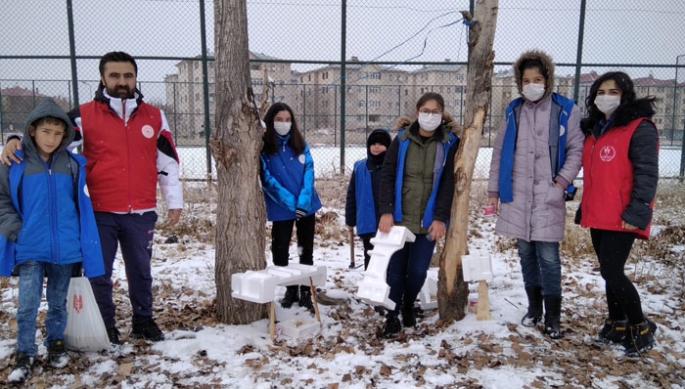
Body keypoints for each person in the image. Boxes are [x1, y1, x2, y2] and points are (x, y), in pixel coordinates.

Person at [1, 51, 183, 345]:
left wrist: (174, 200)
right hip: (98, 211)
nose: (122, 81)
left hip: (142, 210)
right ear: (102, 78)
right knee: (99, 272)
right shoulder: (83, 114)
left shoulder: (154, 116)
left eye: (128, 75)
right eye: (114, 75)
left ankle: (143, 320)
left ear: (135, 78)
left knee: (141, 270)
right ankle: (105, 324)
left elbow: (167, 160)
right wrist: (15, 140)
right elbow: (49, 140)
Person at [0, 99, 105, 384]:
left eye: (58, 133)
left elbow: (80, 204)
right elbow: (3, 200)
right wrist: (16, 229)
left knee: (59, 302)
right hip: (30, 245)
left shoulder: (72, 165)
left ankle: (55, 343)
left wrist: (81, 244)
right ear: (32, 130)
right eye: (46, 131)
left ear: (66, 136)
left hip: (66, 248)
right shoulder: (15, 162)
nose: (52, 138)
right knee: (27, 304)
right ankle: (24, 351)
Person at [486, 50, 583, 339]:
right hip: (517, 194)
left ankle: (553, 316)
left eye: (537, 79)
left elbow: (576, 149)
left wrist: (560, 183)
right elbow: (500, 152)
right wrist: (493, 191)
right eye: (526, 80)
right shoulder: (513, 111)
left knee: (549, 257)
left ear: (548, 79)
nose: (532, 85)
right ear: (519, 82)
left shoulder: (564, 109)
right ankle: (533, 308)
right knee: (526, 254)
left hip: (547, 195)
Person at [578, 71, 659, 357]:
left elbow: (647, 174)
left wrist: (637, 212)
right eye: (601, 91)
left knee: (612, 270)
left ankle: (642, 327)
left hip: (622, 214)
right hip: (599, 212)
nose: (606, 97)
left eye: (614, 91)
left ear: (626, 95)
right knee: (609, 272)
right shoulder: (597, 128)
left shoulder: (639, 127)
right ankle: (618, 323)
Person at [377, 92, 460, 338]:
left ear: (442, 114)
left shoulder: (449, 143)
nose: (430, 116)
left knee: (417, 272)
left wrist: (440, 217)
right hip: (399, 219)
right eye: (426, 110)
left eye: (435, 112)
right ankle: (392, 315)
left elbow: (448, 183)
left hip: (428, 220)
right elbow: (388, 176)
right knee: (395, 270)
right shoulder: (401, 140)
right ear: (417, 112)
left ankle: (408, 303)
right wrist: (386, 211)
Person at [260, 102, 322, 312]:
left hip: (306, 206)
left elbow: (309, 171)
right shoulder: (264, 147)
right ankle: (290, 289)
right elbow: (266, 178)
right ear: (271, 121)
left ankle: (306, 292)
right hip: (281, 206)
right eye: (279, 120)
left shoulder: (300, 143)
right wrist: (290, 202)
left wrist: (303, 203)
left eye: (288, 120)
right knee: (280, 250)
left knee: (305, 250)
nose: (284, 124)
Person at [345, 129, 392, 270]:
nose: (377, 147)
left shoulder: (393, 167)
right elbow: (352, 194)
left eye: (381, 144)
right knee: (370, 256)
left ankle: (390, 288)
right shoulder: (360, 168)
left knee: (389, 258)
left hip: (389, 222)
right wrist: (350, 219)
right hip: (368, 221)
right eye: (373, 144)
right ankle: (371, 286)